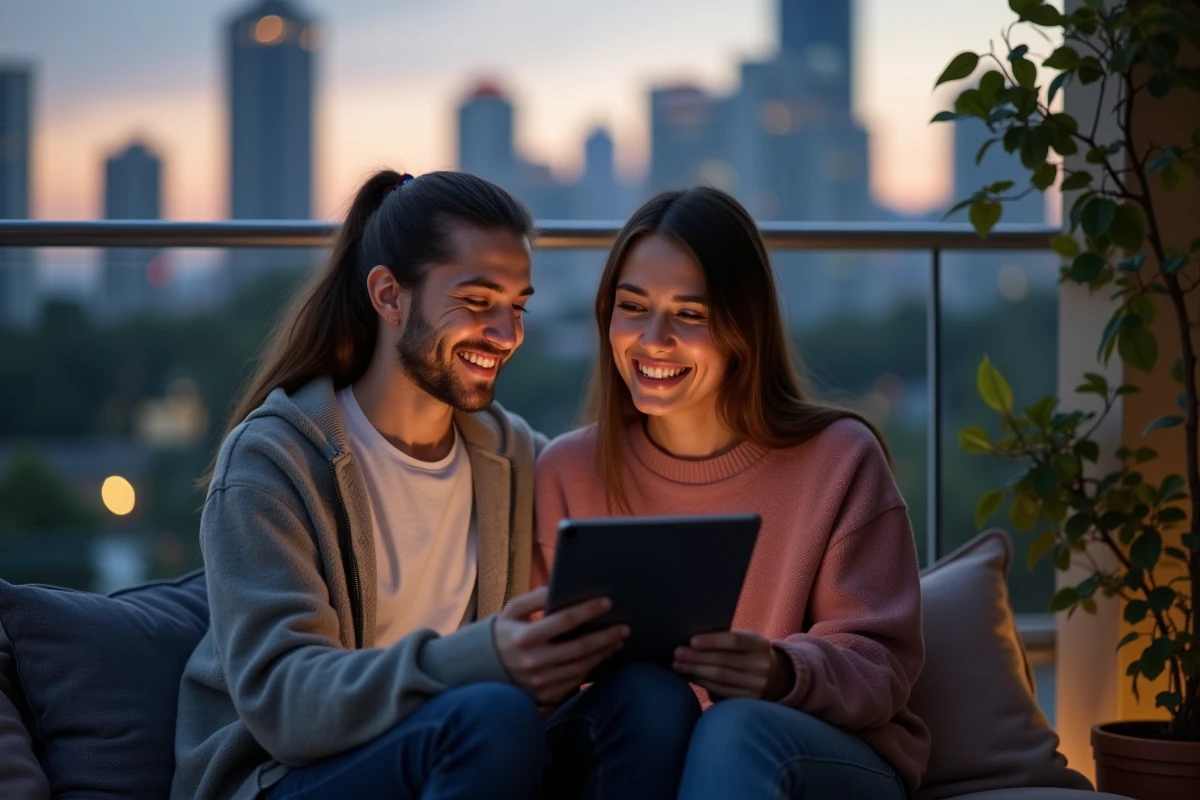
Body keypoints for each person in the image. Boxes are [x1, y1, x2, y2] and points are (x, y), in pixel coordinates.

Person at [171, 169, 699, 800]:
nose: (507, 334)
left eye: (518, 306)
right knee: (490, 715)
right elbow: (286, 707)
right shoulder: (274, 463)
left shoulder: (513, 456)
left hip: (465, 752)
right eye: (477, 301)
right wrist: (481, 657)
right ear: (389, 296)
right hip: (286, 777)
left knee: (651, 699)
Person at [532, 186, 931, 799]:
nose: (653, 338)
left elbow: (881, 663)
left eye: (690, 314)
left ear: (742, 327)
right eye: (632, 306)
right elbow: (540, 678)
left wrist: (780, 673)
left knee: (734, 727)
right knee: (652, 701)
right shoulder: (567, 470)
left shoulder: (839, 459)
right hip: (639, 756)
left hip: (819, 757)